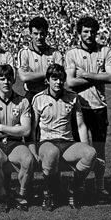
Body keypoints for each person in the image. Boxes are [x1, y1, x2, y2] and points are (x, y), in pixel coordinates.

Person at [30, 64, 97, 210]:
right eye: (54, 78)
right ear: (47, 80)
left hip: (67, 143)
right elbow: (32, 128)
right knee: (51, 153)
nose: (58, 82)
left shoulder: (73, 98)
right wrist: (33, 151)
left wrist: (86, 145)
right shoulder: (38, 99)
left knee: (90, 153)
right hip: (46, 142)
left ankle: (74, 188)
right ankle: (49, 193)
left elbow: (80, 125)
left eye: (61, 79)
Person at [65, 16, 111, 203]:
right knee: (83, 151)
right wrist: (98, 76)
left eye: (92, 32)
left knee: (100, 150)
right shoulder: (72, 54)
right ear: (79, 33)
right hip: (79, 107)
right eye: (85, 31)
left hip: (99, 108)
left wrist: (86, 74)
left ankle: (99, 187)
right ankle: (79, 186)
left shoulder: (105, 51)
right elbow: (70, 82)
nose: (89, 35)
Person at [0, 64, 34, 211]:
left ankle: (20, 194)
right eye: (2, 79)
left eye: (9, 78)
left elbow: (26, 130)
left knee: (28, 159)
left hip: (15, 143)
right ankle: (2, 196)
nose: (6, 82)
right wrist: (14, 129)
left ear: (14, 79)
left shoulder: (22, 101)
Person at [17, 17, 63, 101]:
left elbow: (59, 76)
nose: (39, 37)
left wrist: (33, 75)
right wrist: (49, 73)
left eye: (42, 33)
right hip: (32, 95)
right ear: (30, 34)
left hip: (52, 96)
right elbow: (24, 77)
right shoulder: (24, 53)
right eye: (35, 33)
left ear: (46, 34)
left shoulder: (55, 53)